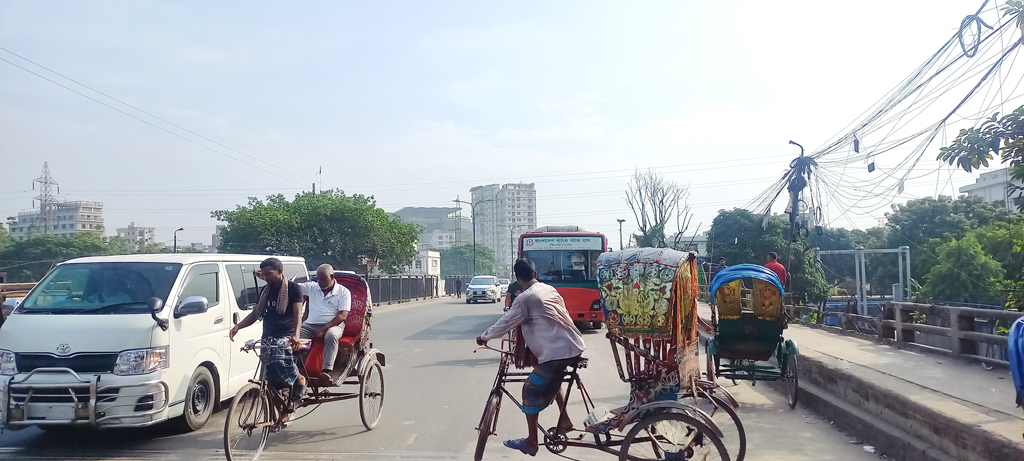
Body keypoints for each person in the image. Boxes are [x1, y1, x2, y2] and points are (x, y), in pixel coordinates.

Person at [476, 259, 586, 456]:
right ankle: (566, 421)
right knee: (554, 380)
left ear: (517, 278)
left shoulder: (525, 299)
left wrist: (484, 337)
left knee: (530, 387)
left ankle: (531, 442)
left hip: (557, 353)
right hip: (574, 346)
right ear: (535, 274)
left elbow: (505, 322)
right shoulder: (549, 289)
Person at [229, 258, 306, 417]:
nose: (266, 277)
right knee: (267, 382)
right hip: (268, 335)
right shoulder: (265, 290)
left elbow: (298, 314)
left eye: (269, 274)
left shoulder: (294, 289)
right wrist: (238, 326)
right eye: (263, 274)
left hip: (286, 335)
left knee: (279, 362)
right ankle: (281, 413)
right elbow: (256, 314)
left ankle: (299, 379)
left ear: (280, 271)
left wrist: (296, 335)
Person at [270, 264, 351, 384]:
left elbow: (342, 316)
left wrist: (324, 328)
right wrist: (276, 276)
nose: (320, 282)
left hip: (334, 325)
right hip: (310, 325)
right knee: (291, 337)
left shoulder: (343, 292)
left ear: (332, 277)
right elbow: (291, 286)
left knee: (331, 336)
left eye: (323, 279)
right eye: (318, 279)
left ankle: (326, 371)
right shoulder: (312, 287)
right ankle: (292, 368)